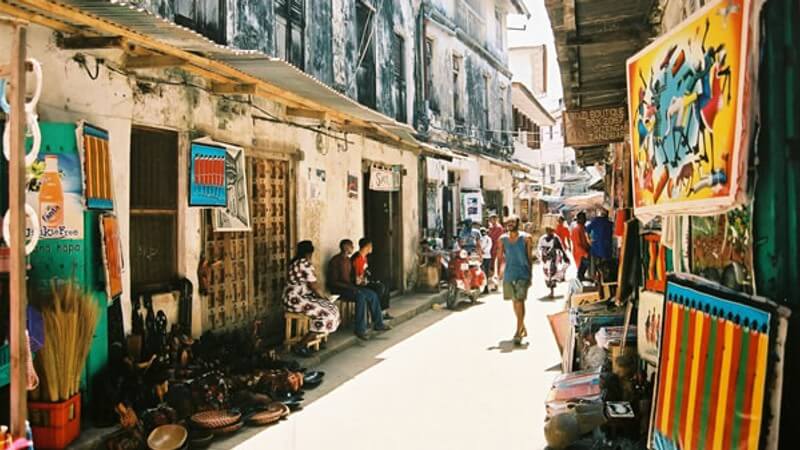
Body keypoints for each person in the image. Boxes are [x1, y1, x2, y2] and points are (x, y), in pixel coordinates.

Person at [283, 241, 341, 356]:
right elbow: (313, 285)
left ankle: (320, 337)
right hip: (296, 300)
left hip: (291, 298)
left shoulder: (295, 262)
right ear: (310, 252)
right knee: (328, 312)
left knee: (330, 308)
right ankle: (302, 345)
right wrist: (324, 298)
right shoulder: (304, 263)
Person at [327, 239, 388, 340]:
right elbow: (333, 282)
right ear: (346, 248)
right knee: (360, 296)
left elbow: (350, 277)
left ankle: (379, 323)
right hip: (340, 289)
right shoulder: (335, 261)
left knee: (372, 295)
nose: (353, 248)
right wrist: (350, 287)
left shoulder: (348, 260)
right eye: (351, 246)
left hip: (350, 287)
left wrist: (357, 281)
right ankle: (360, 329)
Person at [497, 215, 534, 345]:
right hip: (509, 274)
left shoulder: (526, 238)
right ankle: (522, 325)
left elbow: (530, 258)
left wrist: (531, 275)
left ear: (518, 223)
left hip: (523, 274)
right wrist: (498, 273)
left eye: (513, 222)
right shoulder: (502, 239)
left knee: (520, 301)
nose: (510, 224)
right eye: (508, 222)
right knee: (514, 302)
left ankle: (518, 332)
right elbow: (500, 257)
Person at [352, 238, 394, 320]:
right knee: (380, 287)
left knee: (386, 283)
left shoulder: (364, 257)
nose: (372, 248)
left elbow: (365, 272)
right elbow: (357, 278)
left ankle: (383, 311)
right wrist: (365, 281)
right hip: (359, 284)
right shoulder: (357, 259)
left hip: (365, 280)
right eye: (371, 246)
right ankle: (376, 313)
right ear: (367, 246)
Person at [538, 227, 568, 297]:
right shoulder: (542, 238)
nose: (549, 232)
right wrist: (541, 255)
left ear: (553, 231)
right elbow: (539, 248)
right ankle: (551, 290)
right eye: (547, 230)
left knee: (552, 274)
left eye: (550, 230)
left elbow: (561, 248)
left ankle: (552, 292)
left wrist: (565, 257)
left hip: (553, 259)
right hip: (545, 259)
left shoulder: (556, 238)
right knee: (546, 275)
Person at [586, 208, 613, 282]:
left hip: (596, 248)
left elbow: (587, 230)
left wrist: (589, 240)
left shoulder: (596, 221)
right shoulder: (610, 223)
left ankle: (596, 279)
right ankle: (603, 280)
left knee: (596, 267)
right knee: (605, 268)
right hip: (606, 249)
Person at [570, 211, 591, 281]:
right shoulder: (577, 229)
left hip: (585, 253)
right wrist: (585, 254)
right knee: (581, 274)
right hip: (581, 255)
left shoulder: (583, 228)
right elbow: (577, 245)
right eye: (583, 218)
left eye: (585, 218)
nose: (585, 220)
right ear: (579, 219)